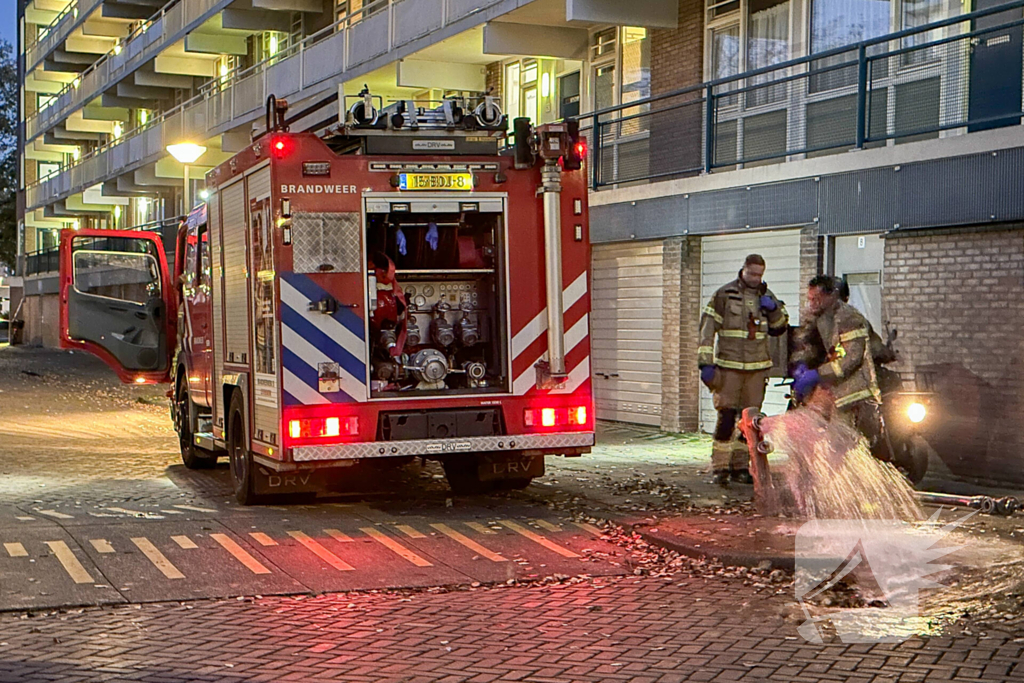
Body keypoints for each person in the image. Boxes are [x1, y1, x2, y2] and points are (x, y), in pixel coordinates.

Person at [698, 254, 789, 486]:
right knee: (726, 418)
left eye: (760, 275)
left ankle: (740, 467)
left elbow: (780, 329)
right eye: (752, 274)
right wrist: (705, 363)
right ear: (743, 270)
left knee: (748, 421)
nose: (756, 279)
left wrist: (774, 310)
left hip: (757, 370)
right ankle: (719, 468)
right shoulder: (724, 295)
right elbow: (707, 329)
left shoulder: (767, 297)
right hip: (729, 368)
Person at [791, 275, 883, 448]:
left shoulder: (850, 319)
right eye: (810, 299)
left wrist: (817, 374)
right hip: (827, 393)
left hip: (851, 395)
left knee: (844, 445)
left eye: (817, 299)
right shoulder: (814, 317)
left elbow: (851, 358)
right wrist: (800, 365)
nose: (812, 304)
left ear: (831, 296)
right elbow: (805, 344)